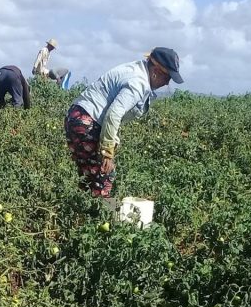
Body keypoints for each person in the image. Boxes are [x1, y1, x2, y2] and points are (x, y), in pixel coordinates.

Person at [65, 47, 182, 199]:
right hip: (87, 123)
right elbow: (113, 114)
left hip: (77, 118)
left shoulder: (136, 70)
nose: (167, 83)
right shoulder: (138, 82)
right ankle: (104, 218)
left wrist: (111, 141)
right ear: (156, 70)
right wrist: (107, 151)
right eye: (167, 77)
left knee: (88, 176)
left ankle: (81, 215)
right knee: (104, 176)